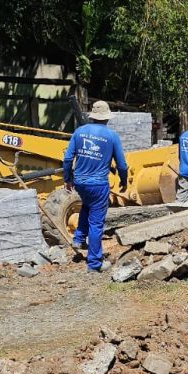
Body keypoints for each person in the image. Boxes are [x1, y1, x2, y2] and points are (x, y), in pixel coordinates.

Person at [63, 101, 128, 272]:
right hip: (98, 184)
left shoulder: (79, 132)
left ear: (93, 116)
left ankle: (78, 238)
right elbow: (122, 165)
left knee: (87, 205)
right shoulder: (112, 136)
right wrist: (124, 180)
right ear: (107, 117)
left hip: (80, 182)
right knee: (96, 223)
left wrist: (67, 178)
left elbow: (68, 158)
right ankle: (94, 263)